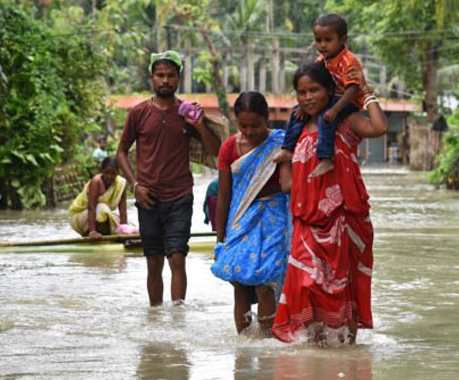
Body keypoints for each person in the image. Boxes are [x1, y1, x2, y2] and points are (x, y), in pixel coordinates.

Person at [272, 62, 387, 344]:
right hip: (305, 222)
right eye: (302, 92)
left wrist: (366, 94)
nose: (308, 97)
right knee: (306, 285)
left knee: (343, 286)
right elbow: (288, 185)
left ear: (329, 91)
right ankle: (314, 351)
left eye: (315, 90)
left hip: (344, 218)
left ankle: (347, 353)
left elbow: (380, 127)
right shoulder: (296, 129)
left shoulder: (344, 122)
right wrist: (283, 161)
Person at [117, 50, 221, 306]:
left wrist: (198, 125)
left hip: (180, 195)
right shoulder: (139, 113)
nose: (165, 80)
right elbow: (121, 152)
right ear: (152, 78)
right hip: (147, 197)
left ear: (178, 79)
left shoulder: (187, 113)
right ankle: (155, 316)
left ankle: (177, 318)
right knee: (154, 262)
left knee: (177, 257)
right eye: (160, 75)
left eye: (171, 76)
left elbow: (216, 151)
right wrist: (135, 186)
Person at [211, 92, 292, 335]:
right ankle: (244, 348)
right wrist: (220, 238)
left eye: (255, 125)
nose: (249, 131)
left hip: (274, 220)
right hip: (241, 219)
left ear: (266, 119)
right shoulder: (229, 149)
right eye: (242, 125)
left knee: (265, 283)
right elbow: (224, 195)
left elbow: (290, 185)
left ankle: (268, 341)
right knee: (240, 284)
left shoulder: (281, 143)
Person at [274, 13, 371, 180]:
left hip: (347, 100)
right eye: (318, 40)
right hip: (332, 97)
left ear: (343, 39)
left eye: (328, 40)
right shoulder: (323, 60)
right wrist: (305, 106)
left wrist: (334, 109)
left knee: (325, 119)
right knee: (297, 111)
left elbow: (353, 89)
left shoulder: (349, 61)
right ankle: (288, 149)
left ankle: (326, 158)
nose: (322, 45)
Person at [68, 156, 128, 238]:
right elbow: (91, 207)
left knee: (128, 225)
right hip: (80, 218)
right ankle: (93, 232)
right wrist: (93, 231)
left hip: (99, 214)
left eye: (113, 173)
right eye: (107, 173)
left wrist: (124, 230)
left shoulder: (121, 184)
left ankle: (107, 233)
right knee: (102, 208)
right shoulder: (96, 181)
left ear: (118, 173)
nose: (110, 176)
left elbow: (123, 210)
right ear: (102, 171)